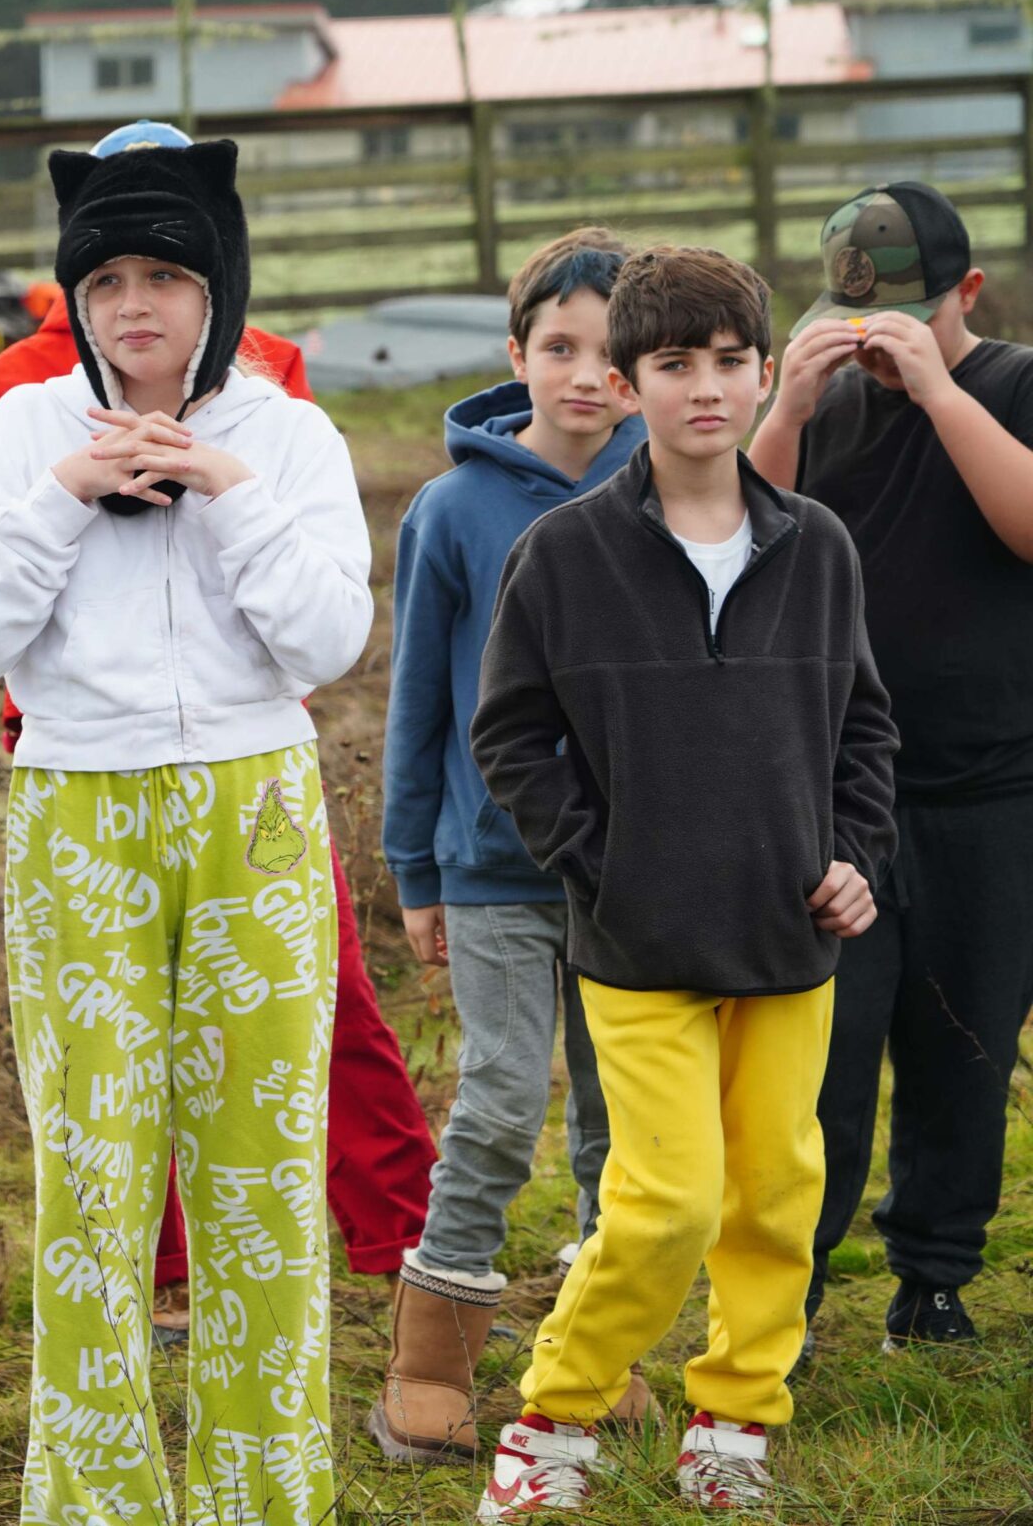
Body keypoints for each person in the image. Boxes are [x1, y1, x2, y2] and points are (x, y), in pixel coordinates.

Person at [0, 138, 370, 1525]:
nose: (136, 304)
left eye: (168, 276)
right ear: (74, 294)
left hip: (256, 806)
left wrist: (226, 489)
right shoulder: (25, 428)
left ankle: (263, 1495)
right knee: (93, 1170)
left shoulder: (288, 434)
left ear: (217, 285)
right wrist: (65, 494)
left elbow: (328, 639)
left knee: (262, 1171)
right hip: (80, 804)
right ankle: (96, 1502)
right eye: (107, 278)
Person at [470, 247, 898, 1516]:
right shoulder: (562, 553)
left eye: (727, 361)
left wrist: (855, 855)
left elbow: (865, 727)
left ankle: (732, 1421)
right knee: (663, 1203)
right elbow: (508, 734)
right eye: (673, 363)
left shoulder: (818, 546)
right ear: (625, 383)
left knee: (775, 1195)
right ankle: (554, 1419)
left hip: (788, 937)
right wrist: (603, 862)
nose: (704, 387)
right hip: (638, 944)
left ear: (765, 373)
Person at [369, 228, 648, 1465]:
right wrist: (415, 866)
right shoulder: (453, 509)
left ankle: (595, 1343)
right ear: (516, 352)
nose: (586, 375)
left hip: (635, 872)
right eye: (559, 347)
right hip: (491, 869)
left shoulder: (672, 490)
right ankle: (428, 1362)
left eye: (612, 353)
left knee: (616, 1114)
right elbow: (417, 701)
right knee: (497, 1097)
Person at [746, 182, 1033, 1357]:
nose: (879, 345)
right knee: (821, 1052)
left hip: (992, 785)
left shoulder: (1011, 384)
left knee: (965, 1039)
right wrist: (784, 403)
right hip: (840, 792)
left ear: (968, 292)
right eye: (858, 322)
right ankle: (789, 1284)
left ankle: (934, 1272)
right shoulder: (825, 408)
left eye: (908, 320)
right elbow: (741, 540)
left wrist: (939, 390)